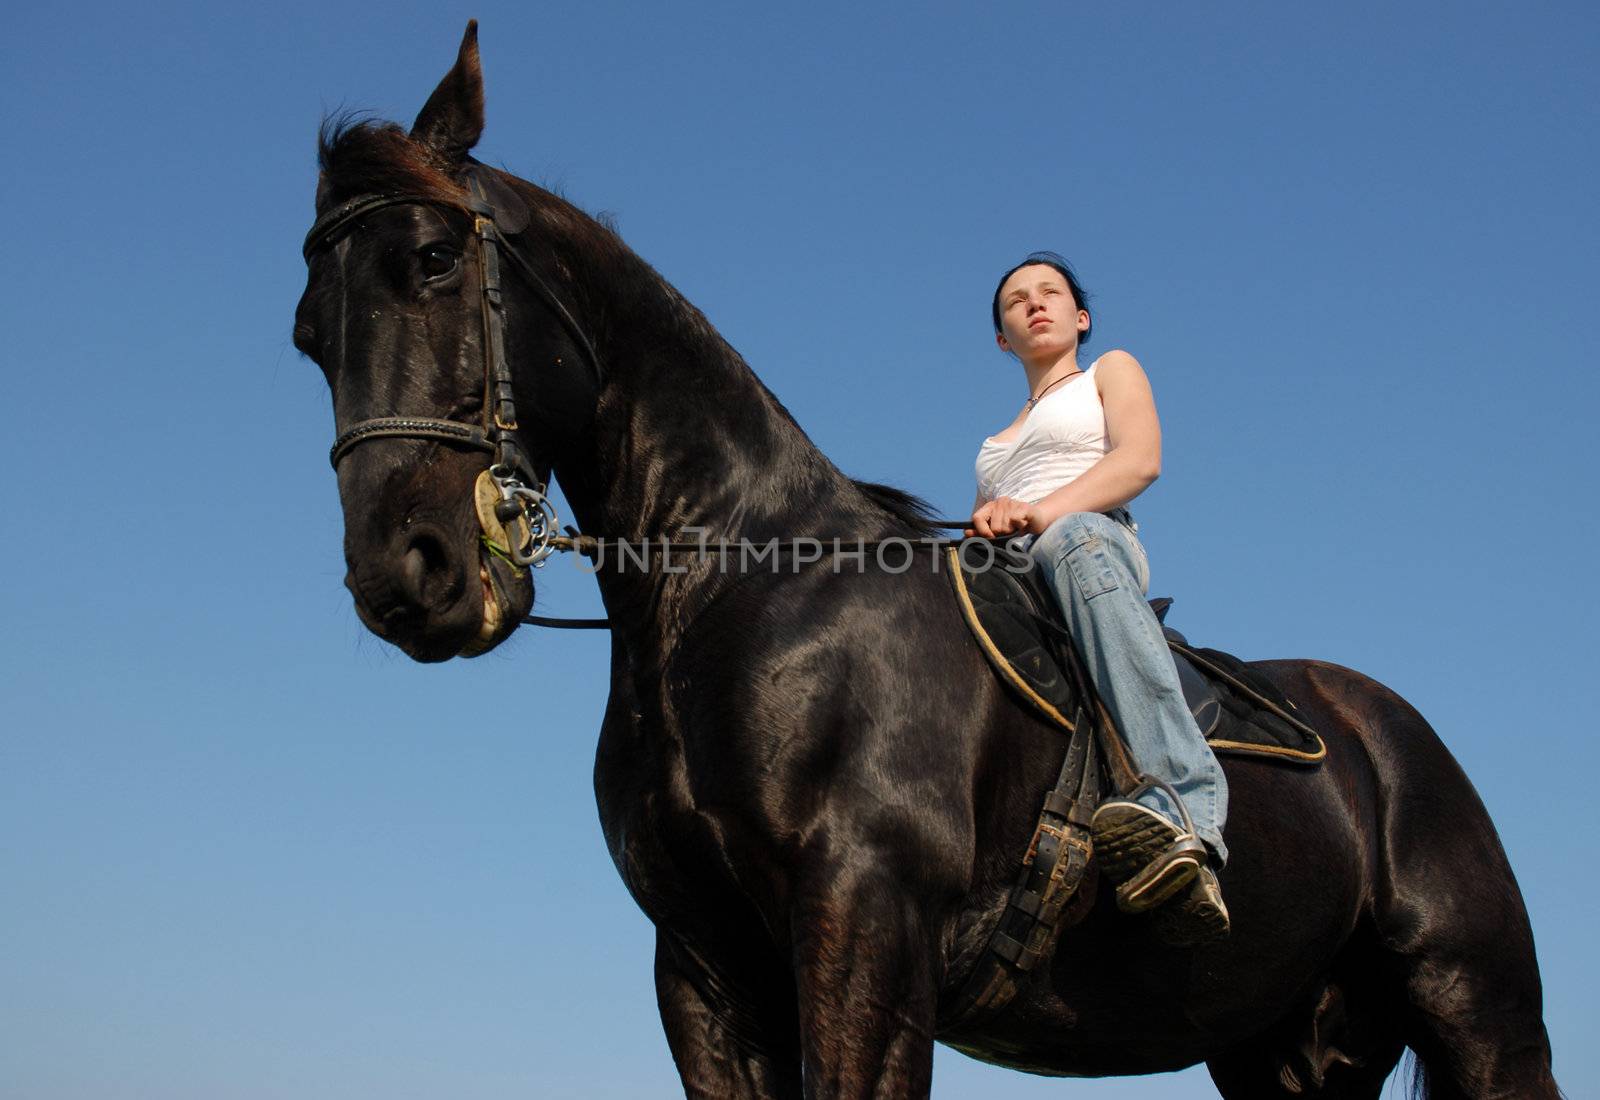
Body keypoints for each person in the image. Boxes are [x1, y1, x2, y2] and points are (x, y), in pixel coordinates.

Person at [968, 252, 1230, 944]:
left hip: (1094, 546)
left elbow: (1140, 460)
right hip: (1017, 571)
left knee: (1073, 536)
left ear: (1079, 318)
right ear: (1002, 339)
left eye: (1049, 293)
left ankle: (1182, 806)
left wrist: (1038, 513)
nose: (1033, 304)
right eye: (1016, 301)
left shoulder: (1109, 370)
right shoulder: (992, 449)